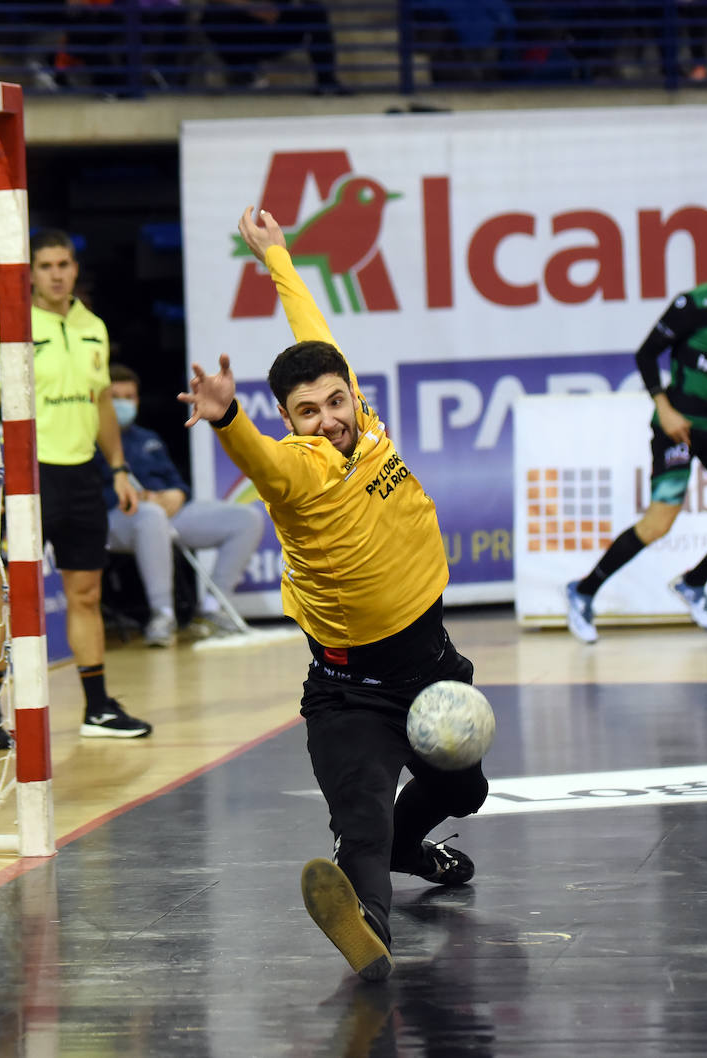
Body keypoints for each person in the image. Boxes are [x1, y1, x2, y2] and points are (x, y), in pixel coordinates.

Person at [178, 206, 488, 982]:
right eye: (307, 412)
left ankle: (412, 851)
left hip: (433, 665)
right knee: (362, 819)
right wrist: (227, 419)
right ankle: (368, 929)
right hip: (353, 689)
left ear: (352, 394)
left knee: (466, 789)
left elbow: (312, 327)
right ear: (288, 419)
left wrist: (278, 256)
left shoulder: (368, 425)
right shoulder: (299, 471)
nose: (327, 421)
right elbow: (263, 462)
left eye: (335, 402)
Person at [0, 229, 153, 745]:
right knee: (8, 595)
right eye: (46, 265)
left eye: (63, 264)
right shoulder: (11, 326)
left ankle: (97, 708)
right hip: (30, 479)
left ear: (75, 269)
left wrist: (118, 468)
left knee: (86, 593)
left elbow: (102, 403)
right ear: (31, 273)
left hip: (82, 477)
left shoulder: (93, 327)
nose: (56, 274)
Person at [564, 228, 707, 644]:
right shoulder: (692, 304)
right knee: (659, 522)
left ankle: (694, 583)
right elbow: (645, 353)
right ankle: (583, 591)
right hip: (678, 423)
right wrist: (663, 406)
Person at [101, 363, 266, 647]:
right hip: (117, 518)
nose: (123, 404)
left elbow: (178, 482)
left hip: (167, 513)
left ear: (138, 400)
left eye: (129, 397)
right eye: (115, 397)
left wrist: (177, 494)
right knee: (151, 516)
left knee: (246, 518)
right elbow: (89, 494)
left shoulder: (148, 439)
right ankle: (163, 615)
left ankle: (213, 609)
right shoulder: (91, 440)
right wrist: (131, 497)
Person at [198, 0, 349, 94]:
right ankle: (243, 73)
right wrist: (252, 7)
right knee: (213, 17)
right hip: (239, 23)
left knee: (314, 9)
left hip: (275, 25)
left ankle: (326, 81)